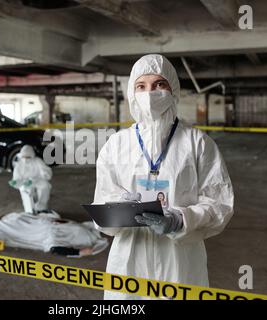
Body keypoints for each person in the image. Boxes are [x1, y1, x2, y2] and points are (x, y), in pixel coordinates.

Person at [93, 54, 234, 300]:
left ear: (173, 89)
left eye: (159, 84)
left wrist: (181, 219)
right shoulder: (115, 145)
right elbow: (102, 206)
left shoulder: (198, 143)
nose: (149, 93)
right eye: (141, 86)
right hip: (129, 259)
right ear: (131, 92)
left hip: (179, 258)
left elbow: (220, 204)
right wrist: (117, 209)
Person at [9, 145, 52, 213]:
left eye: (28, 157)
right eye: (24, 157)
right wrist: (15, 182)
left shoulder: (38, 161)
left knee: (45, 186)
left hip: (37, 180)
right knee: (26, 190)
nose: (26, 159)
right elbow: (17, 178)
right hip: (25, 183)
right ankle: (29, 210)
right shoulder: (19, 165)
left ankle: (41, 208)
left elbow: (47, 173)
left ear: (32, 156)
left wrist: (42, 175)